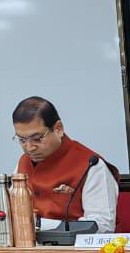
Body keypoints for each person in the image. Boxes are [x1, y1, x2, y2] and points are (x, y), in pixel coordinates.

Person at [13, 97, 119, 233]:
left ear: (58, 129)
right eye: (22, 140)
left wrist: (38, 224)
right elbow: (12, 213)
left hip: (74, 245)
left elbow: (102, 226)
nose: (29, 148)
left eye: (37, 138)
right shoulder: (23, 162)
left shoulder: (91, 165)